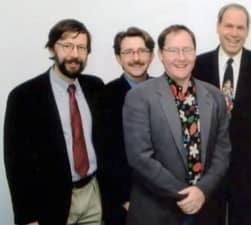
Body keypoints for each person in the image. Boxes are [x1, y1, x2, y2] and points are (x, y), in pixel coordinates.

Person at [123, 24, 231, 225]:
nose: (181, 57)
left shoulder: (215, 96)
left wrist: (202, 191)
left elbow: (222, 151)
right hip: (156, 211)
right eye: (173, 50)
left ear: (195, 54)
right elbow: (140, 158)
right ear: (161, 54)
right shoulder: (138, 97)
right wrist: (185, 195)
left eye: (187, 50)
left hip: (204, 209)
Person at [4, 19, 104, 225]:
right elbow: (16, 162)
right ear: (52, 48)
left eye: (81, 48)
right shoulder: (24, 96)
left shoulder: (95, 87)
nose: (74, 54)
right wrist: (27, 217)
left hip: (93, 194)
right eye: (66, 46)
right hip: (50, 202)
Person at [192, 4, 251, 225]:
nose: (234, 33)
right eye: (229, 25)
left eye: (240, 27)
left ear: (247, 31)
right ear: (218, 27)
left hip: (249, 168)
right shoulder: (197, 65)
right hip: (207, 168)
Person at [102, 26, 155, 225]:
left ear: (151, 56)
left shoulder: (166, 89)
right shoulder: (105, 96)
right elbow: (105, 153)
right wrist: (124, 198)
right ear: (118, 58)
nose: (136, 58)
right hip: (125, 201)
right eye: (128, 52)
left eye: (142, 51)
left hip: (163, 198)